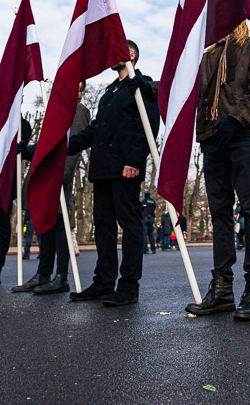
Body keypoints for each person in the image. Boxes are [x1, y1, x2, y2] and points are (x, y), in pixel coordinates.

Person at [185, 22, 250, 320]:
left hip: (244, 135)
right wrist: (150, 87)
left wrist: (235, 119)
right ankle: (222, 287)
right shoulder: (208, 56)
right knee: (219, 212)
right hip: (212, 139)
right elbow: (186, 90)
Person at [67, 40, 160, 307]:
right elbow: (95, 130)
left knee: (130, 226)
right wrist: (62, 146)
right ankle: (103, 282)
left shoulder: (141, 84)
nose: (108, 57)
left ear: (130, 55)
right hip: (103, 168)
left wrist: (134, 160)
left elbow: (148, 126)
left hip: (124, 168)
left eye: (114, 52)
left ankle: (129, 286)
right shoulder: (109, 91)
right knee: (104, 226)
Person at [14, 95, 91, 294]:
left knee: (59, 227)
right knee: (44, 229)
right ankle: (43, 274)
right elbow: (47, 146)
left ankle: (61, 276)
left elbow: (72, 146)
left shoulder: (77, 109)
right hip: (44, 177)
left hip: (56, 179)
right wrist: (27, 151)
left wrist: (60, 176)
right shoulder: (56, 111)